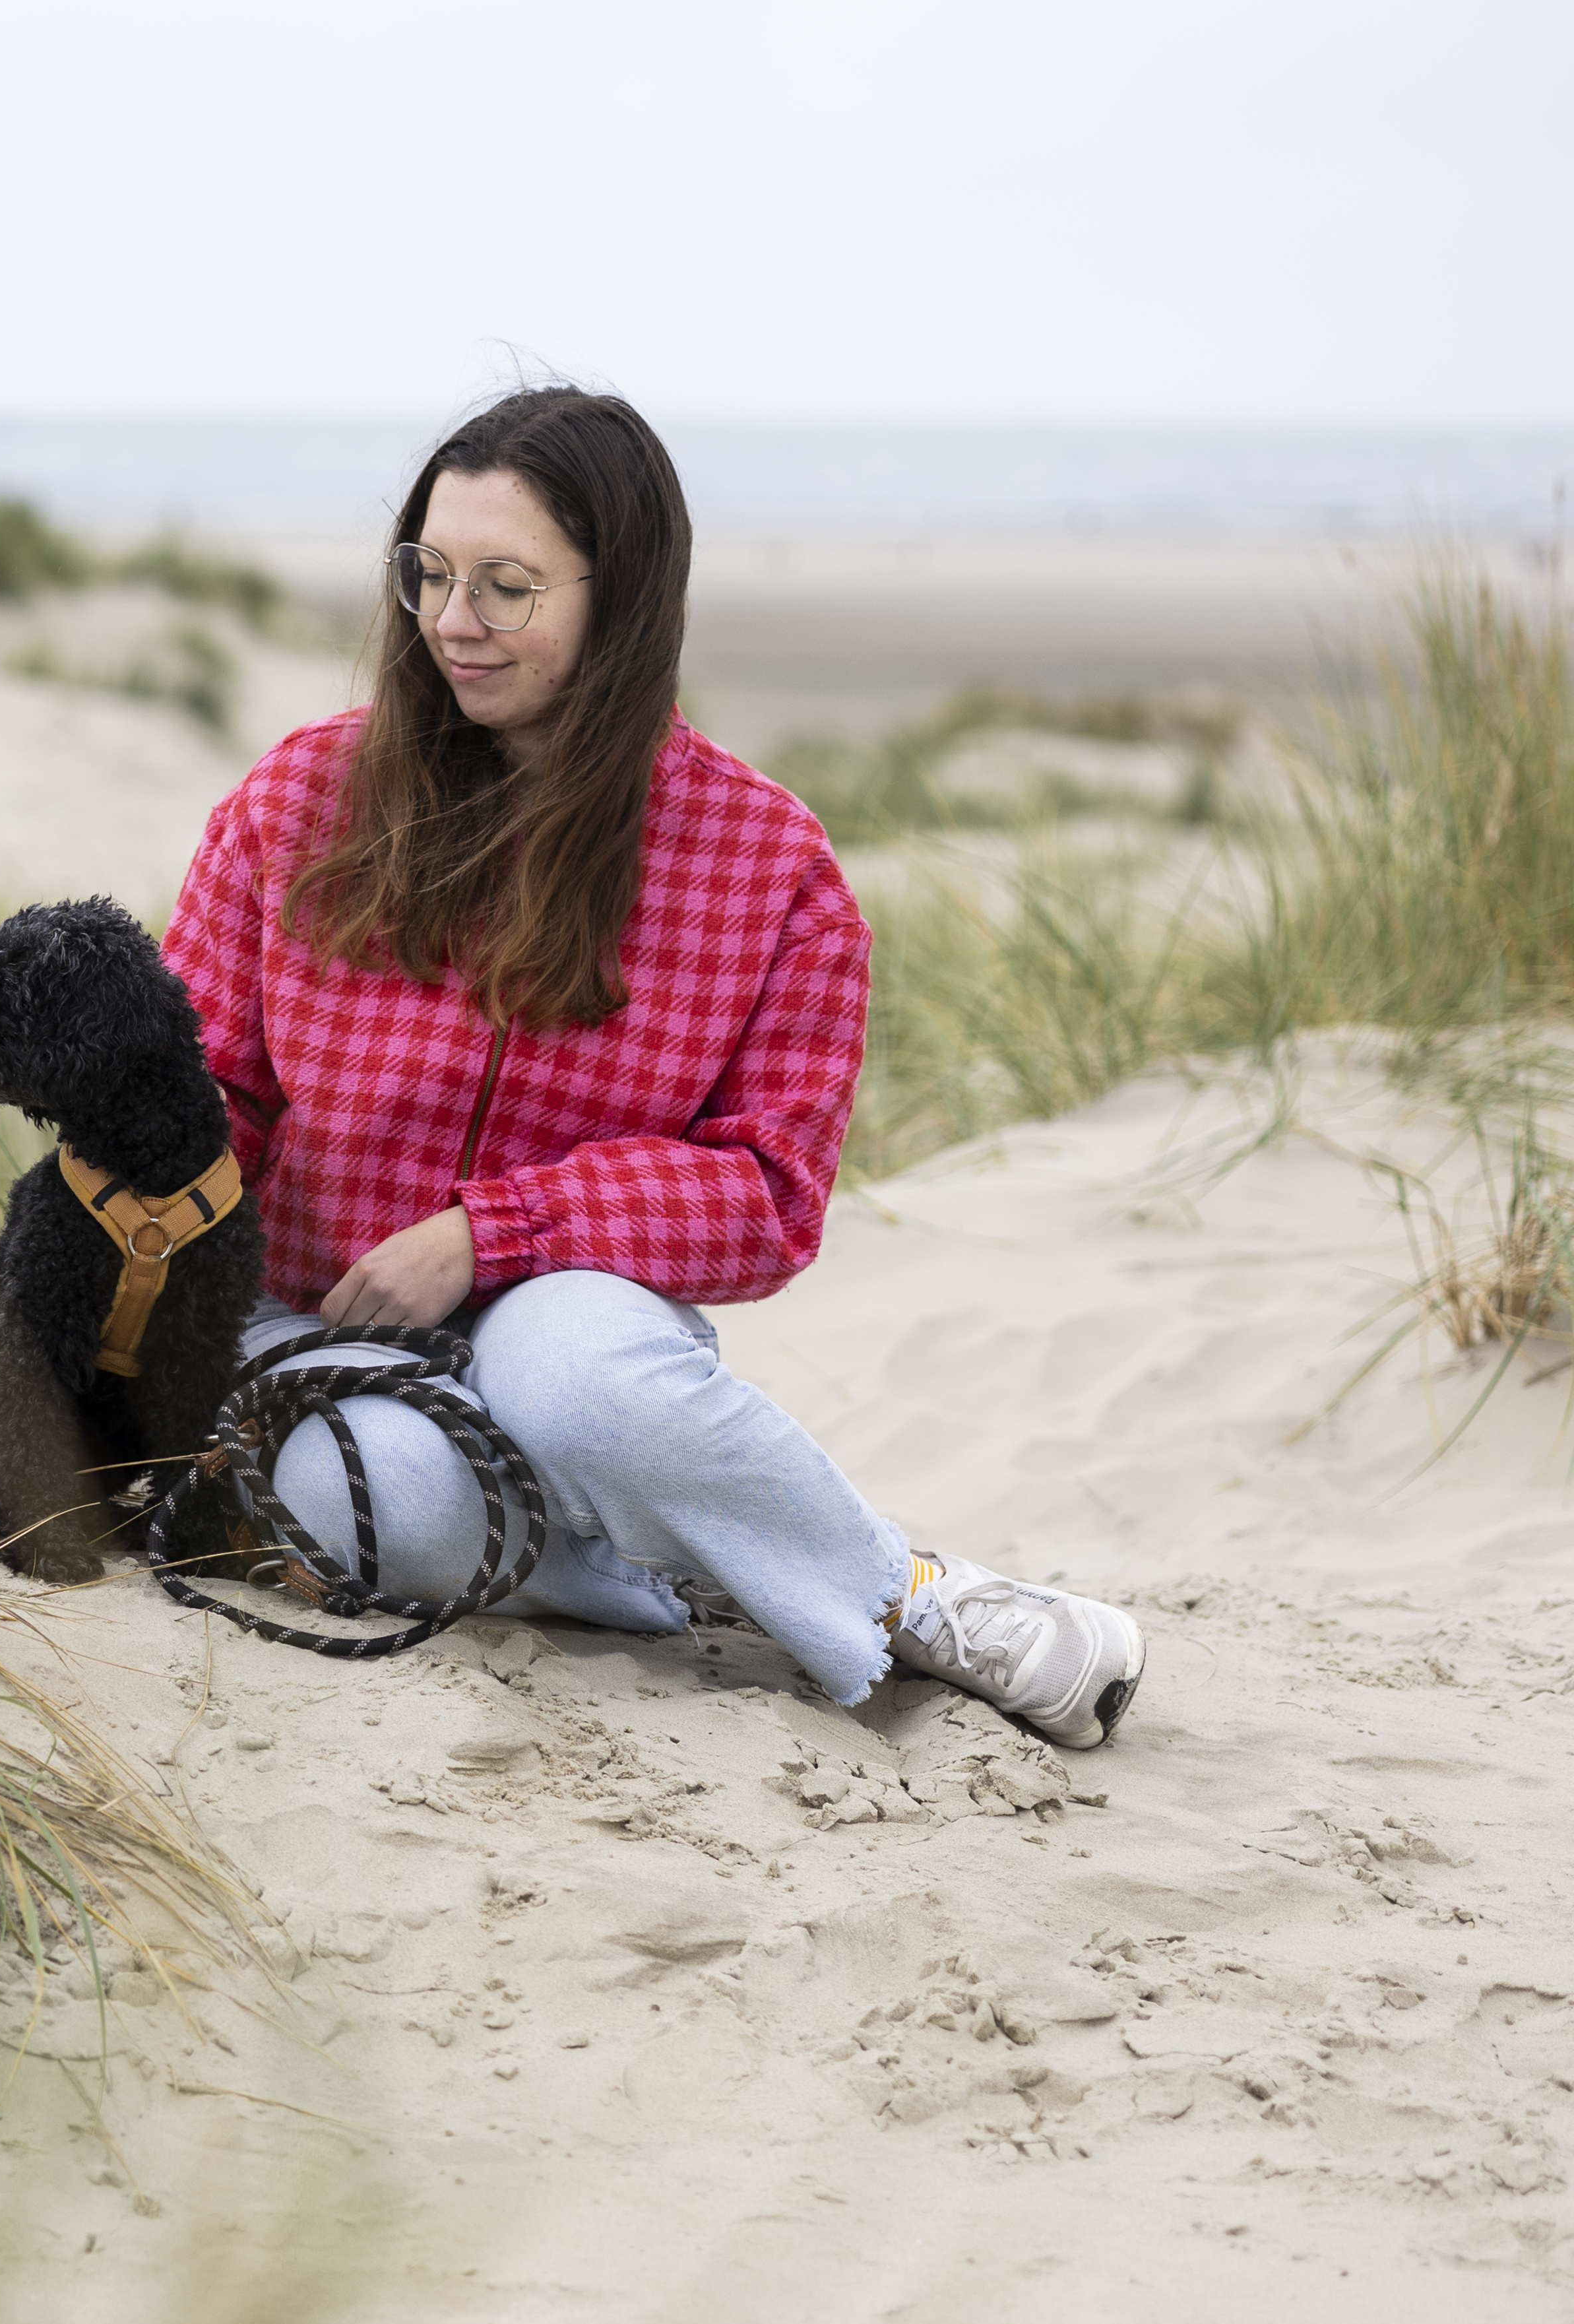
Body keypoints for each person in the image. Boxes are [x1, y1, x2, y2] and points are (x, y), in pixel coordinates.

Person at [156, 387, 1144, 1747]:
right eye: (429, 575)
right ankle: (672, 1558)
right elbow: (208, 1091)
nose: (452, 621)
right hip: (303, 1311)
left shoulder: (767, 865)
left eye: (506, 587)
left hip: (563, 1310)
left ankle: (916, 1595)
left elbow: (769, 1192)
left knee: (582, 1393)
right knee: (393, 1506)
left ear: (617, 601)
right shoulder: (297, 802)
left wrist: (485, 1233)